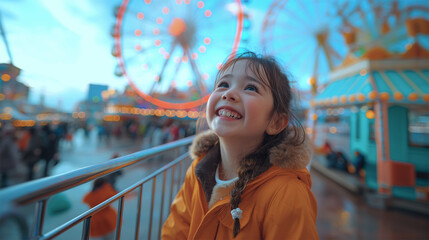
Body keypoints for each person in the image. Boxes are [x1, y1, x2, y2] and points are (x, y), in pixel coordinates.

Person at [162, 51, 318, 239]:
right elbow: (175, 231)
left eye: (251, 88)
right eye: (223, 84)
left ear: (276, 122)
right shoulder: (198, 171)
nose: (229, 94)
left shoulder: (287, 195)